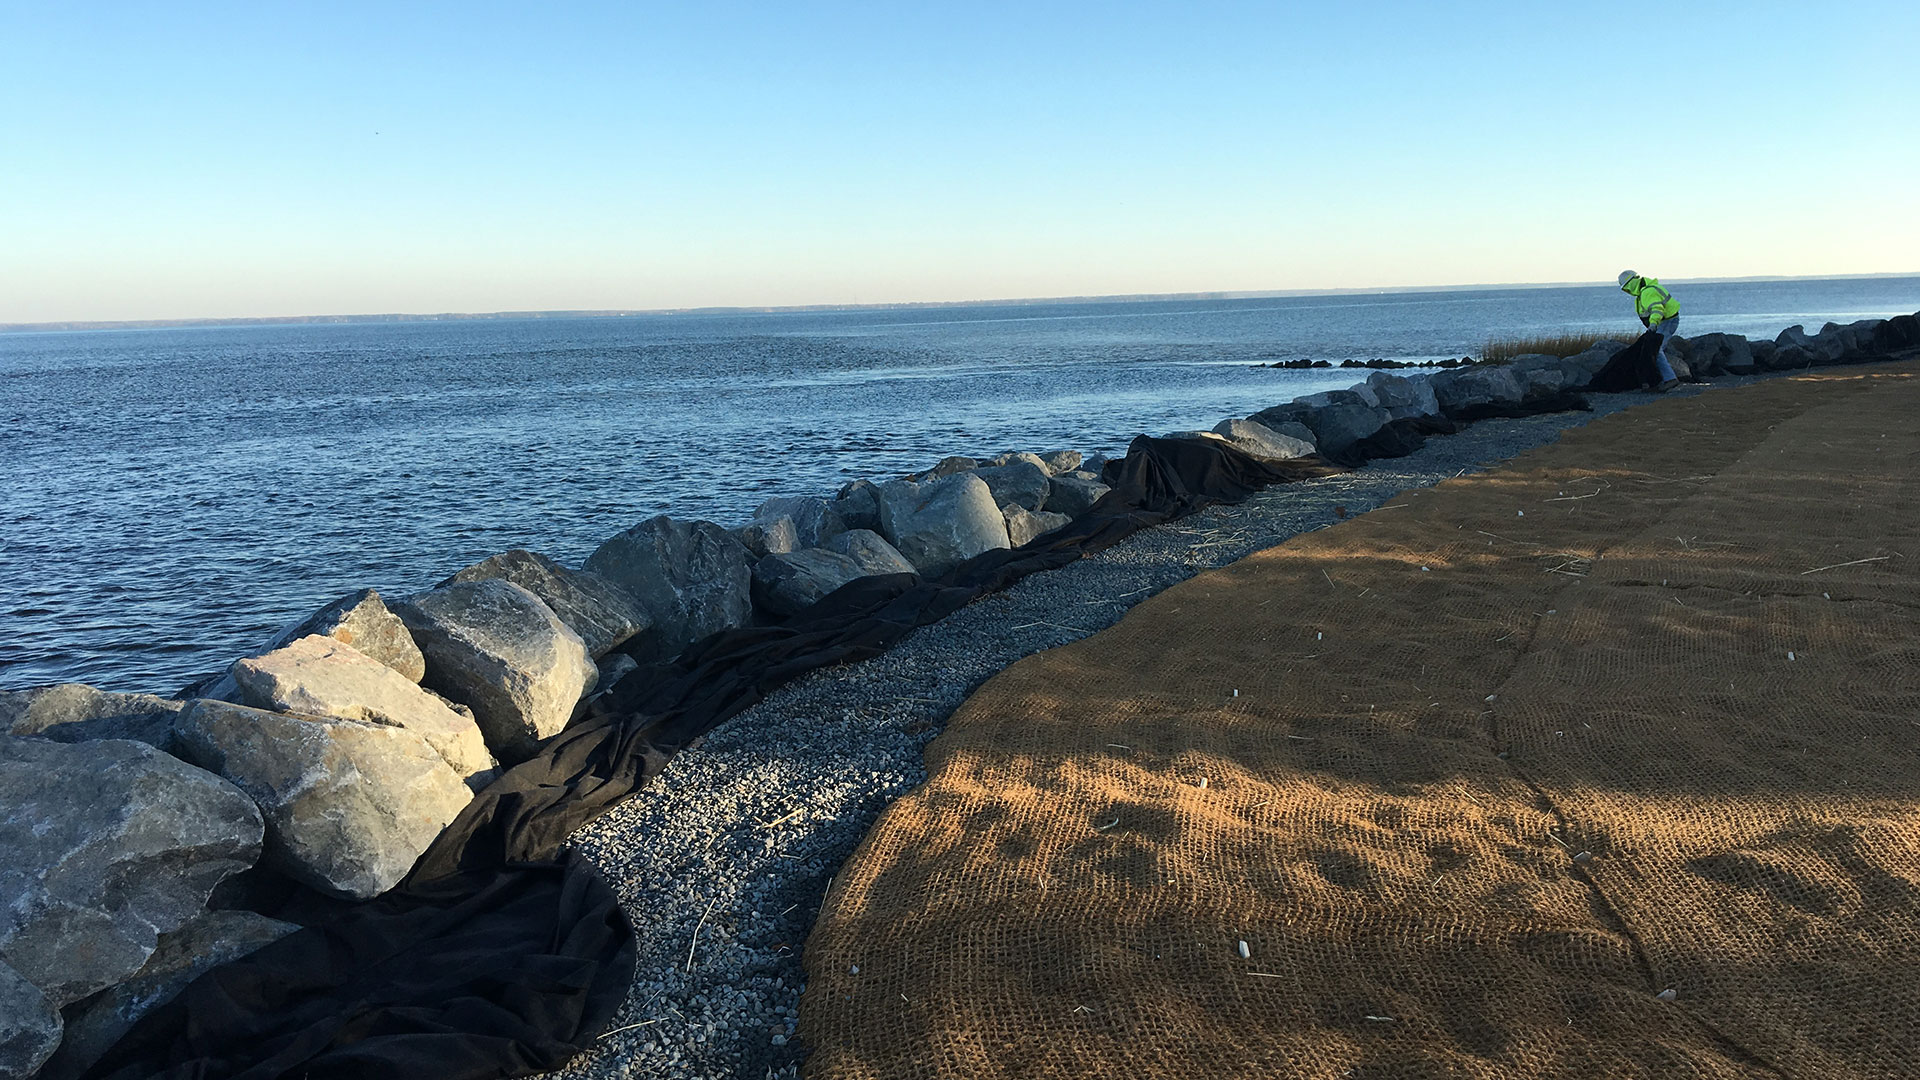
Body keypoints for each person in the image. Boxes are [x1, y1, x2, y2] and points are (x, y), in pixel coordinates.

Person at [1618, 270, 1681, 391]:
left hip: (1666, 322)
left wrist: (1653, 324)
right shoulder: (1644, 291)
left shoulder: (1648, 292)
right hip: (1665, 322)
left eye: (1626, 288)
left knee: (1655, 349)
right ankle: (1658, 380)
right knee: (1653, 349)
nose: (1627, 291)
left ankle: (1670, 379)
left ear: (1631, 283)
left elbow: (1657, 309)